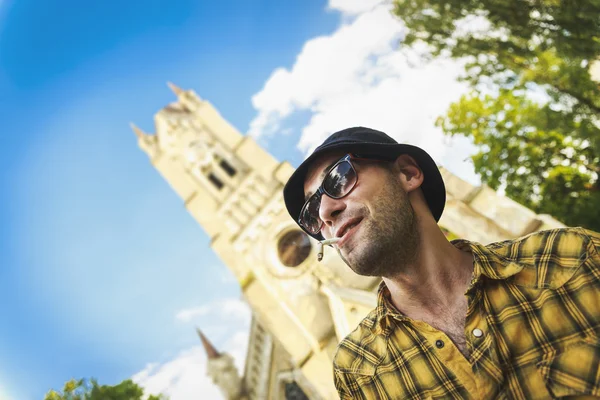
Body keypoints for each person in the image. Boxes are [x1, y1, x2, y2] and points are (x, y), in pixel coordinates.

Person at [282, 127, 600, 399]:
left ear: (408, 173)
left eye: (339, 178)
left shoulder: (570, 257)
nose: (325, 214)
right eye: (311, 213)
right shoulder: (358, 372)